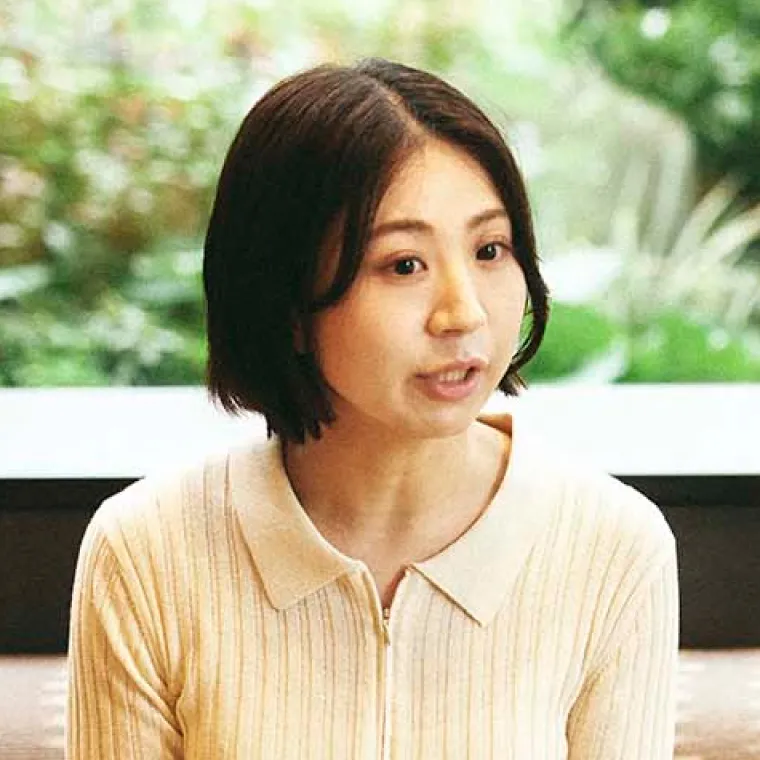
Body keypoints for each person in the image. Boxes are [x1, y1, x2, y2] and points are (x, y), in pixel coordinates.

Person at [66, 58, 679, 759]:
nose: (464, 313)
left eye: (490, 249)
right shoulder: (145, 556)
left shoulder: (613, 549)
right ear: (287, 302)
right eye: (403, 265)